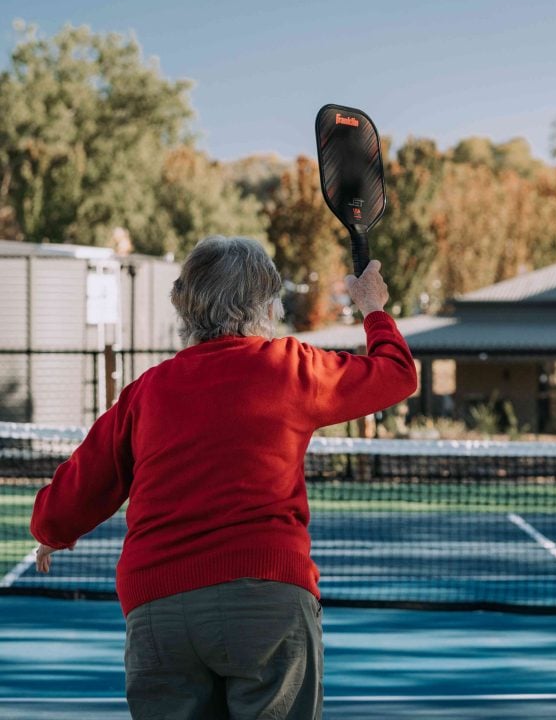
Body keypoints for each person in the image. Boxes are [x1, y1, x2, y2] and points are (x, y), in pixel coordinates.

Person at [30, 236, 417, 720]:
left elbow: (77, 490)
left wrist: (50, 533)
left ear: (185, 307)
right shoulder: (292, 367)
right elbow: (396, 373)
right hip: (268, 599)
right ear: (267, 304)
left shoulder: (145, 392)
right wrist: (372, 309)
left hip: (159, 608)